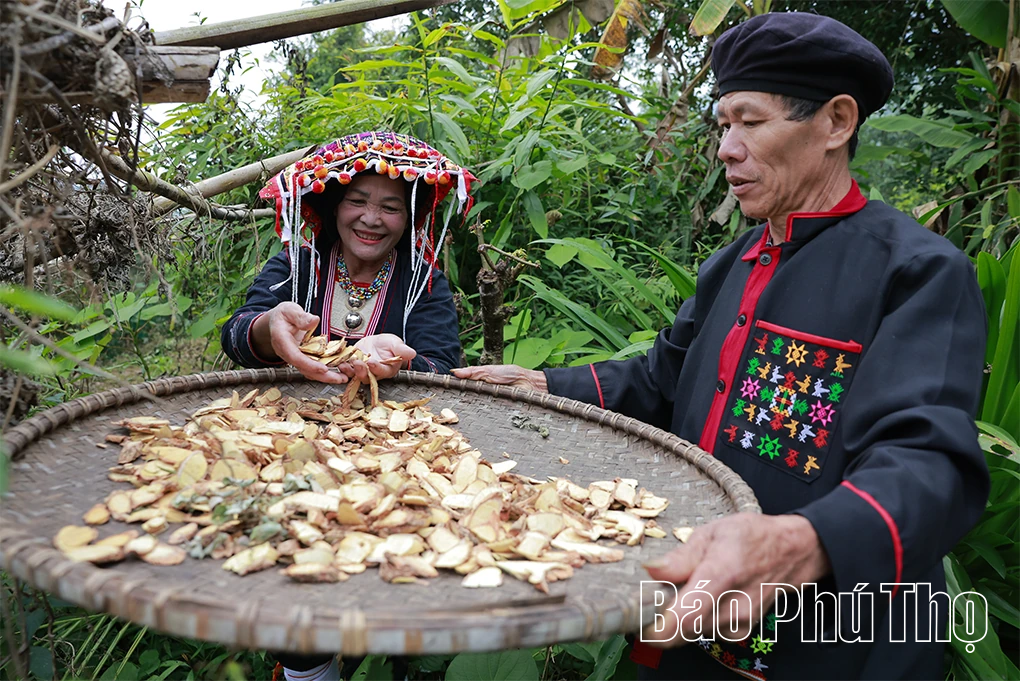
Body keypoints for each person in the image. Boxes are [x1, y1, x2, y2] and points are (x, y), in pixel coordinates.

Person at [453, 13, 989, 680]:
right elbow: (663, 379)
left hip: (828, 646)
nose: (726, 149)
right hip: (692, 618)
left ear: (836, 122)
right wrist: (545, 386)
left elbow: (928, 461)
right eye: (723, 124)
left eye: (750, 122)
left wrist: (806, 540)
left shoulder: (916, 272)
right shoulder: (731, 263)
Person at [220, 131, 476, 681]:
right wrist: (269, 328)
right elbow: (238, 333)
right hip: (289, 447)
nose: (371, 219)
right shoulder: (297, 267)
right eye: (357, 200)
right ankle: (307, 666)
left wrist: (402, 363)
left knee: (390, 571)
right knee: (300, 574)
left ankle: (396, 654)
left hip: (393, 458)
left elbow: (442, 369)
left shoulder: (422, 283)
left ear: (409, 218)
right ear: (334, 206)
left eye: (390, 207)